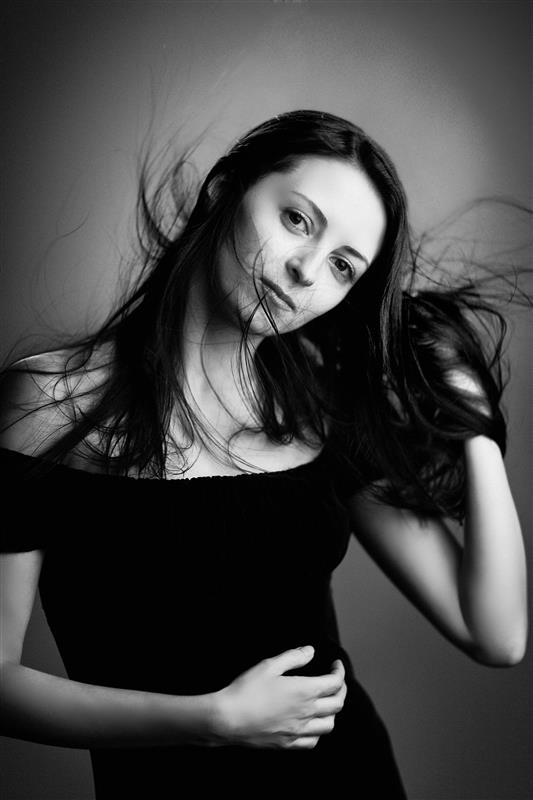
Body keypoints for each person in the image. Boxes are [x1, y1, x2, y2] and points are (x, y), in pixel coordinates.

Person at [0, 109, 528, 798]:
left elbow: (496, 634)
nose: (306, 271)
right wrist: (211, 720)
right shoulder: (49, 405)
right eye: (297, 220)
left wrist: (474, 425)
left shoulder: (317, 409)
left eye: (343, 266)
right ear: (225, 189)